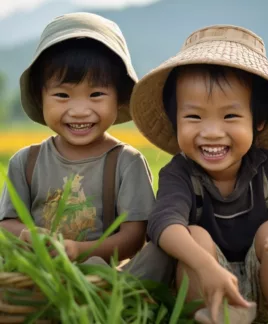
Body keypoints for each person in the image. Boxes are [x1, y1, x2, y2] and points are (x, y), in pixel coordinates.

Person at [129, 25, 268, 324]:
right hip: (205, 290)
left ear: (258, 121)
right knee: (193, 236)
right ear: (175, 121)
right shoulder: (180, 172)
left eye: (230, 116)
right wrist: (206, 267)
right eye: (193, 116)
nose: (211, 132)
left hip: (267, 290)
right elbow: (163, 222)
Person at [0, 12, 155, 264]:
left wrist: (79, 251)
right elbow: (6, 224)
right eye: (62, 95)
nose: (80, 110)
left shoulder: (127, 162)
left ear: (119, 97)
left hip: (103, 278)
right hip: (38, 274)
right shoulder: (25, 161)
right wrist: (30, 236)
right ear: (41, 98)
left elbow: (134, 237)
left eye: (96, 94)